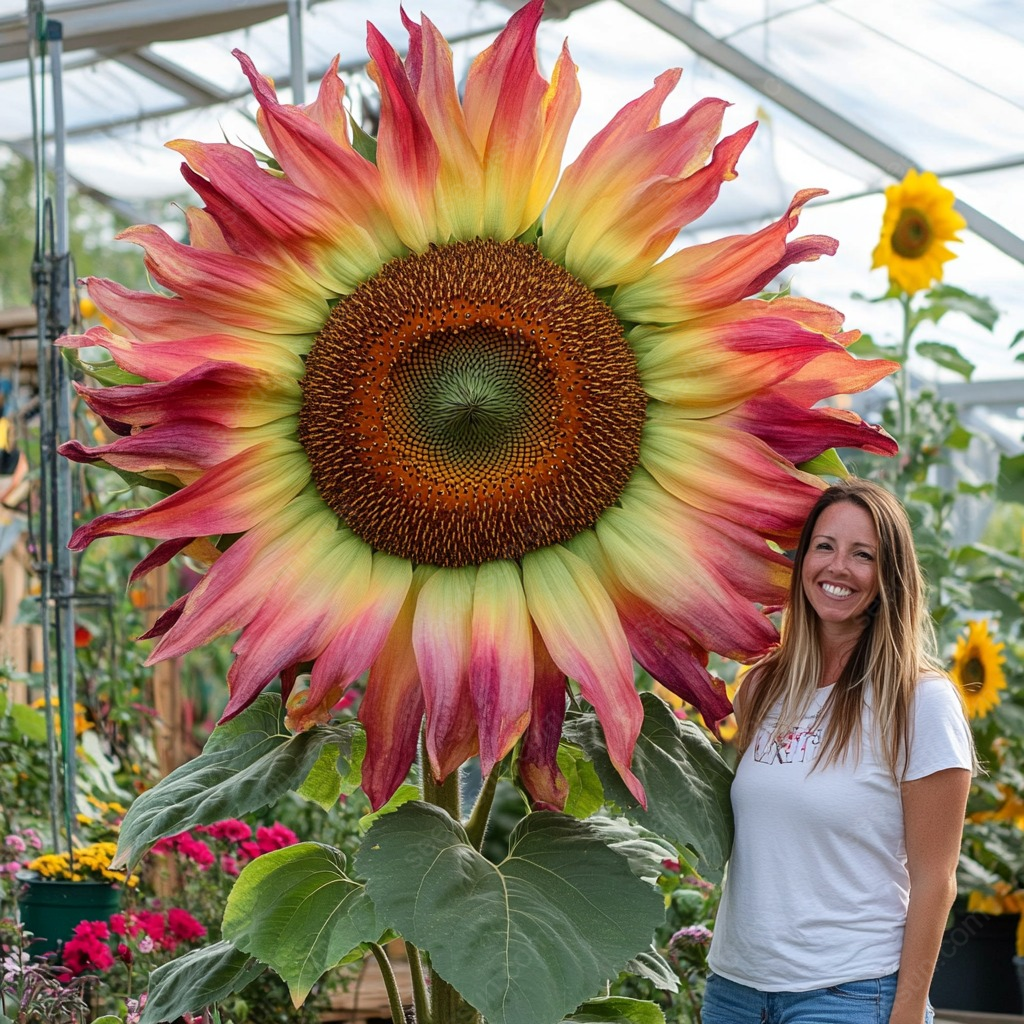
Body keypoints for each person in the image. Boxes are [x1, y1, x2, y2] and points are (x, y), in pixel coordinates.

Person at [703, 478, 975, 1024]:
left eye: (863, 555)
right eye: (824, 546)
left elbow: (934, 881)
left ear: (890, 577)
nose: (837, 568)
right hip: (734, 990)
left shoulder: (919, 701)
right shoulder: (763, 688)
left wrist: (905, 1013)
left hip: (849, 994)